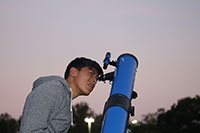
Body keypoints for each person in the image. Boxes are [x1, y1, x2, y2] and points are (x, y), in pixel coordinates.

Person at [20, 57, 103, 133]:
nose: (94, 80)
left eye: (96, 78)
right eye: (91, 73)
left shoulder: (64, 98)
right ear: (73, 72)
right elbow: (30, 130)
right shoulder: (53, 89)